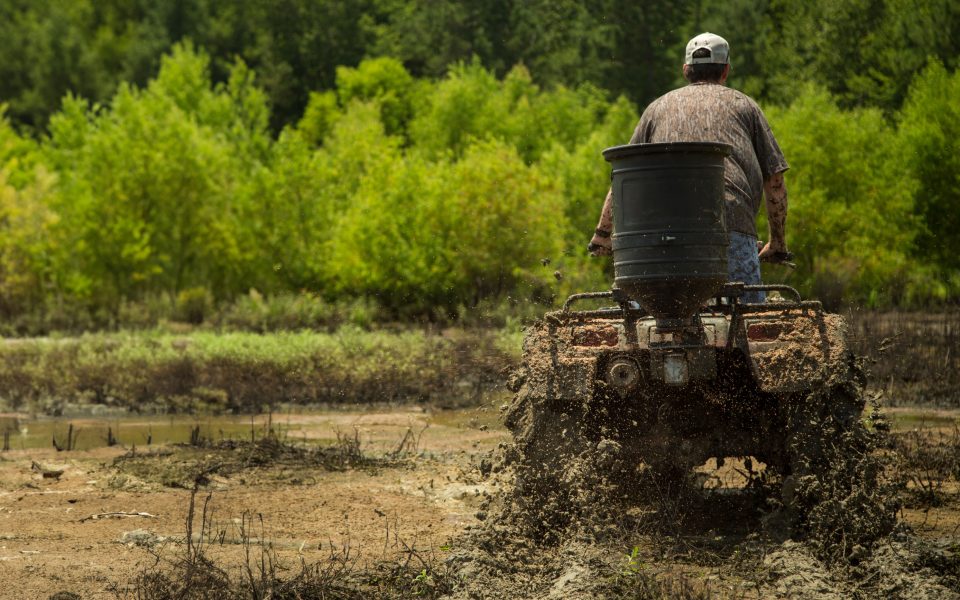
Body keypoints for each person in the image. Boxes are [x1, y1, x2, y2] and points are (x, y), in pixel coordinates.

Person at [588, 32, 789, 303]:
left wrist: (603, 235)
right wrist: (777, 243)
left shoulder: (655, 109)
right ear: (726, 70)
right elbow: (774, 180)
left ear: (685, 70)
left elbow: (625, 176)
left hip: (659, 234)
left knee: (646, 314)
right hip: (728, 227)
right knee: (748, 323)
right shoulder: (746, 106)